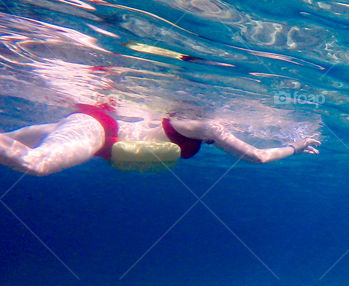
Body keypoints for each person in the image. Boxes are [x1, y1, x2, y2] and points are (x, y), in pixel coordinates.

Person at [0, 103, 321, 176]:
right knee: (36, 163)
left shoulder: (182, 116)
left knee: (8, 141)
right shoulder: (207, 125)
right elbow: (258, 157)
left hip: (94, 128)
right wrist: (296, 147)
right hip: (97, 129)